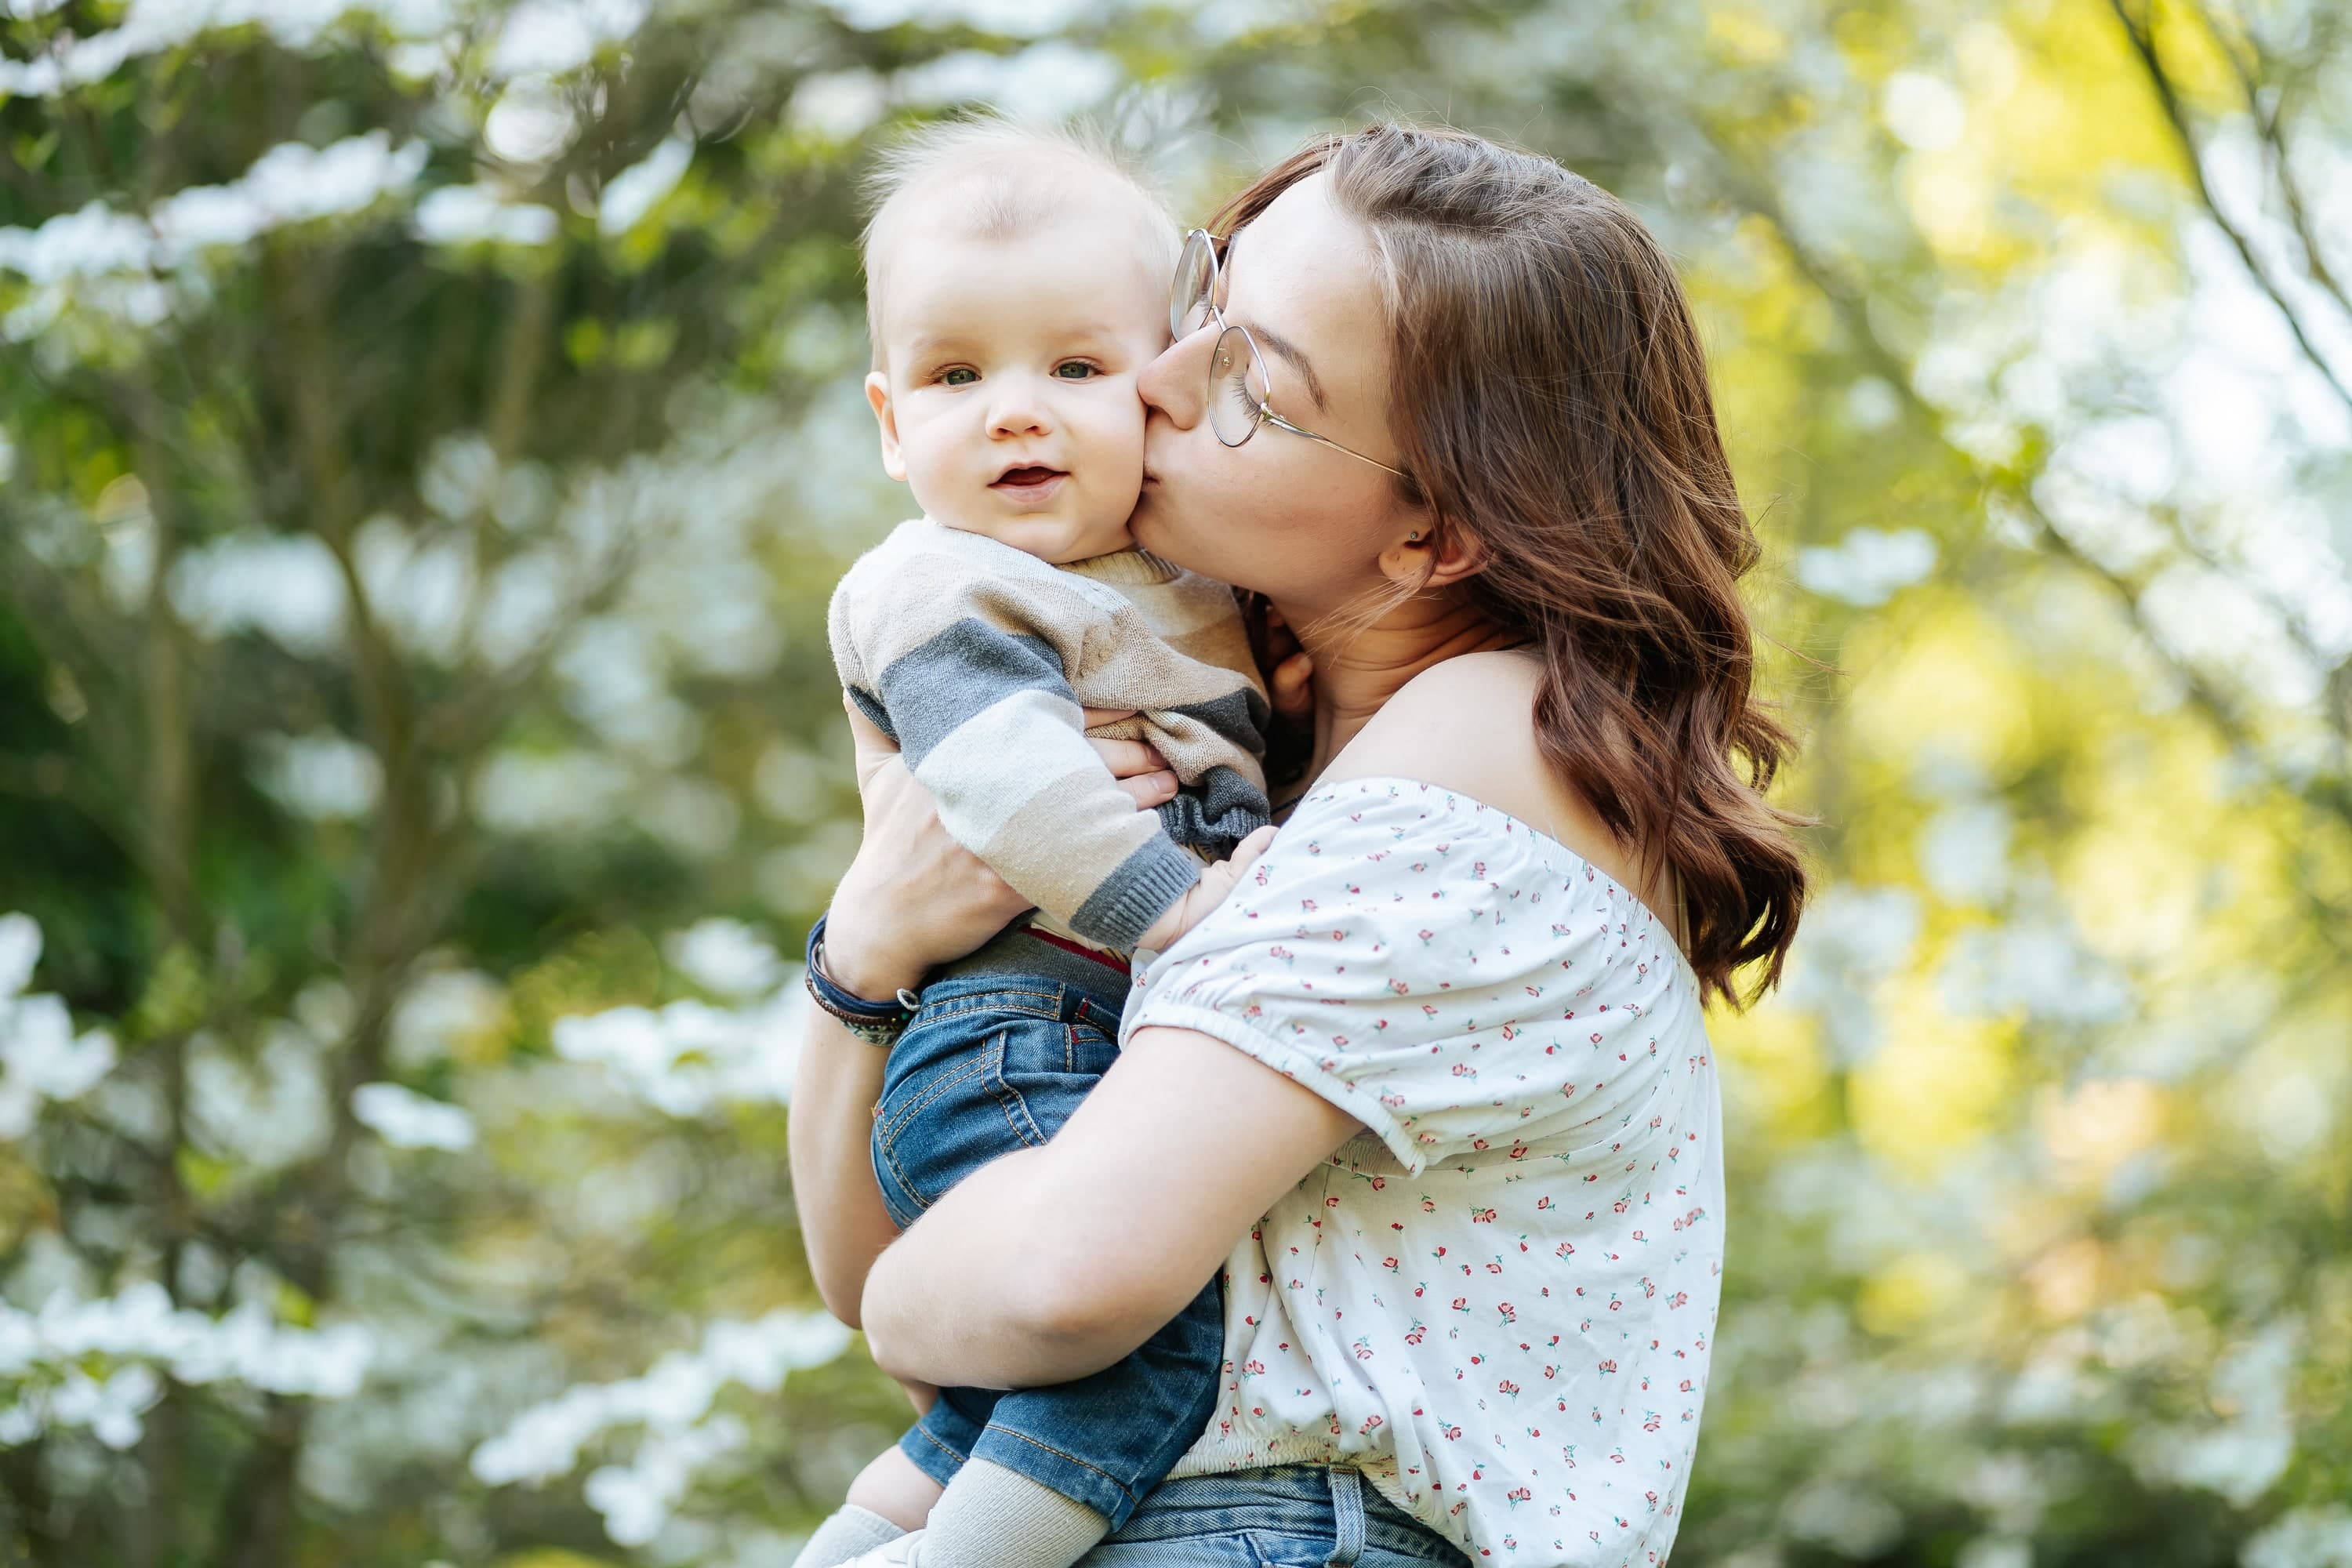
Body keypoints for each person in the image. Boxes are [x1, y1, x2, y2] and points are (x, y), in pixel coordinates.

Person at [790, 122, 1813, 1568]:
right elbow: (880, 1269)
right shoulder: (1245, 768)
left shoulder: (1472, 767)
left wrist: (927, 1298)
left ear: (1431, 539)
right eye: (1204, 306)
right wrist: (867, 954)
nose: (1149, 377)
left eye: (1247, 385)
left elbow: (1040, 1285)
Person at [793, 118, 1280, 1568]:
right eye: (958, 377)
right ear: (892, 425)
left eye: (1075, 369)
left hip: (1069, 1025)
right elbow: (1010, 787)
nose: (1016, 412)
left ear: (1167, 391)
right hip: (1025, 1025)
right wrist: (1177, 912)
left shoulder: (1166, 579)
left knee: (1009, 1395)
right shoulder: (946, 583)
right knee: (1151, 1346)